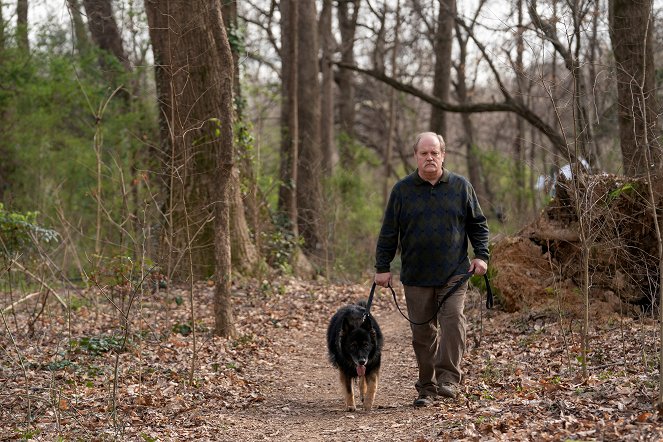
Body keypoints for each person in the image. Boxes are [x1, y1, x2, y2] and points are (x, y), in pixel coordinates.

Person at [374, 132, 489, 407]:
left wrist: (481, 256)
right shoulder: (402, 190)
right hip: (417, 276)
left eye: (434, 153)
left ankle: (448, 380)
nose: (429, 158)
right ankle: (426, 386)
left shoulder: (461, 187)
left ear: (443, 155)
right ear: (416, 156)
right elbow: (389, 232)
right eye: (424, 153)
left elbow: (478, 225)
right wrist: (382, 267)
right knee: (423, 334)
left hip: (455, 273)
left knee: (453, 322)